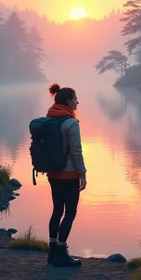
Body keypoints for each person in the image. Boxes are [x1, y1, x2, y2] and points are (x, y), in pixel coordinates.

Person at [46, 83, 87, 267]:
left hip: (53, 174)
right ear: (68, 101)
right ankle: (61, 254)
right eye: (75, 98)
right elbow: (76, 151)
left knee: (57, 210)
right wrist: (82, 173)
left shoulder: (49, 119)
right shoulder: (71, 123)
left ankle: (52, 251)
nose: (78, 101)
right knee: (70, 212)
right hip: (69, 175)